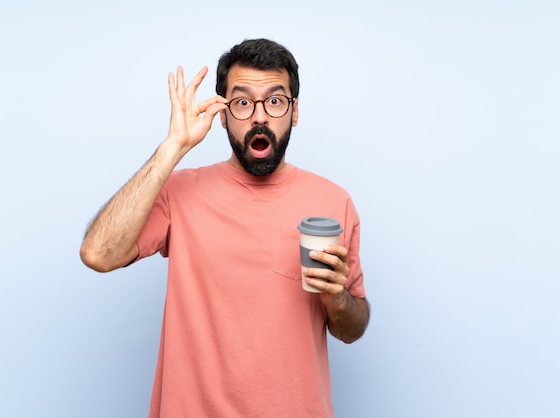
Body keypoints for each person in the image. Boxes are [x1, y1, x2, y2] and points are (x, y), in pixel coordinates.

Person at [80, 38, 370, 418]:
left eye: (276, 101)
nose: (260, 117)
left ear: (295, 111)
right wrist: (172, 148)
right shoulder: (178, 192)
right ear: (222, 113)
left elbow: (352, 328)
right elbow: (97, 253)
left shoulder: (333, 202)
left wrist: (338, 300)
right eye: (243, 102)